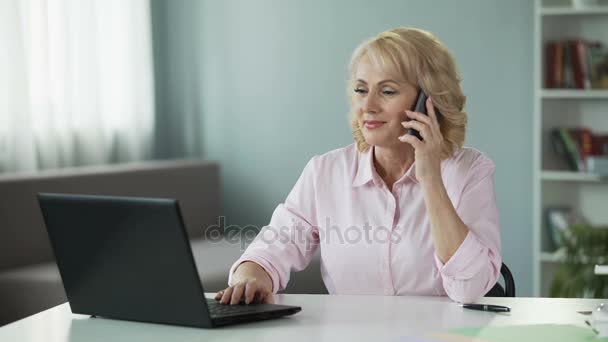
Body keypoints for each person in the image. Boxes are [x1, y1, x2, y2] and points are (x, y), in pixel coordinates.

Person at [215, 27, 501, 305]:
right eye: (361, 90)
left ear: (429, 102)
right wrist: (250, 276)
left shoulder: (468, 172)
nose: (369, 105)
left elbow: (469, 287)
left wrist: (430, 179)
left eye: (387, 91)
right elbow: (273, 248)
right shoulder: (326, 172)